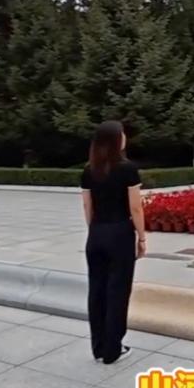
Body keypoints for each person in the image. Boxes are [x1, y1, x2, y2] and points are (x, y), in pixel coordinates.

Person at [81, 120, 146, 364]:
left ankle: (98, 347)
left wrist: (95, 230)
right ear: (116, 140)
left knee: (96, 290)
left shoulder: (89, 170)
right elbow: (136, 207)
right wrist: (142, 237)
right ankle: (113, 349)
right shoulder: (128, 169)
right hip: (120, 233)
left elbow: (87, 206)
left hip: (96, 233)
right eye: (122, 134)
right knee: (118, 291)